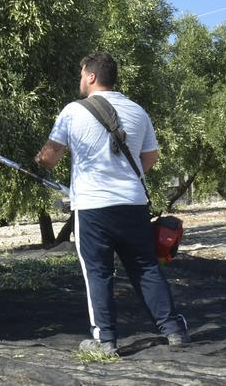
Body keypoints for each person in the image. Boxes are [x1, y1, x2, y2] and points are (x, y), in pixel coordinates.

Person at [34, 52, 188, 355]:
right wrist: (125, 179)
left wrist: (36, 161)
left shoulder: (73, 111)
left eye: (81, 75)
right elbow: (151, 157)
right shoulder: (137, 111)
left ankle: (105, 340)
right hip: (133, 204)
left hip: (93, 208)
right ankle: (173, 330)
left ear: (91, 76)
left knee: (98, 272)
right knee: (145, 268)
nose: (80, 80)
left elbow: (50, 158)